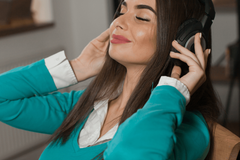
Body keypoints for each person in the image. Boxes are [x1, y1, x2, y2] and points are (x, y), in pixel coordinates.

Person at [0, 0, 222, 159]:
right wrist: (77, 67)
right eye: (122, 10)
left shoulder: (185, 129)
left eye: (141, 17)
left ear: (184, 41)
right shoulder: (85, 107)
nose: (118, 23)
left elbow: (135, 153)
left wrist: (173, 90)